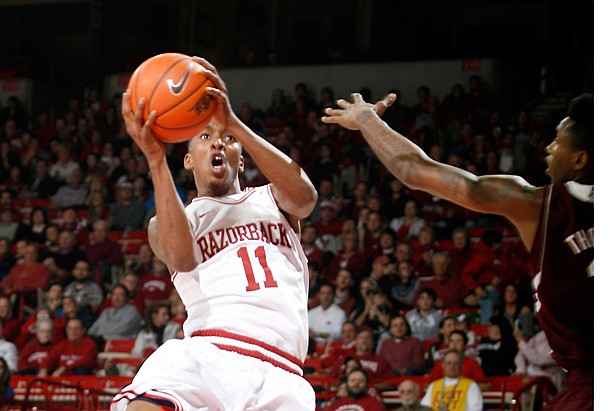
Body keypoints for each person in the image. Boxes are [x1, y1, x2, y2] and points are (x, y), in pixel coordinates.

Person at [323, 92, 593, 411]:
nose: (549, 148)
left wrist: (368, 120)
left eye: (558, 141)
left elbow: (415, 171)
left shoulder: (537, 204)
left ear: (580, 159)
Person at [111, 56, 317, 411]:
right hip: (211, 353)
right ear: (189, 160)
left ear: (241, 157)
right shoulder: (172, 220)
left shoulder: (270, 197)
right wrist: (156, 159)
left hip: (283, 372)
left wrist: (232, 121)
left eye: (228, 140)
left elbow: (306, 197)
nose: (218, 144)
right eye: (205, 137)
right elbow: (182, 258)